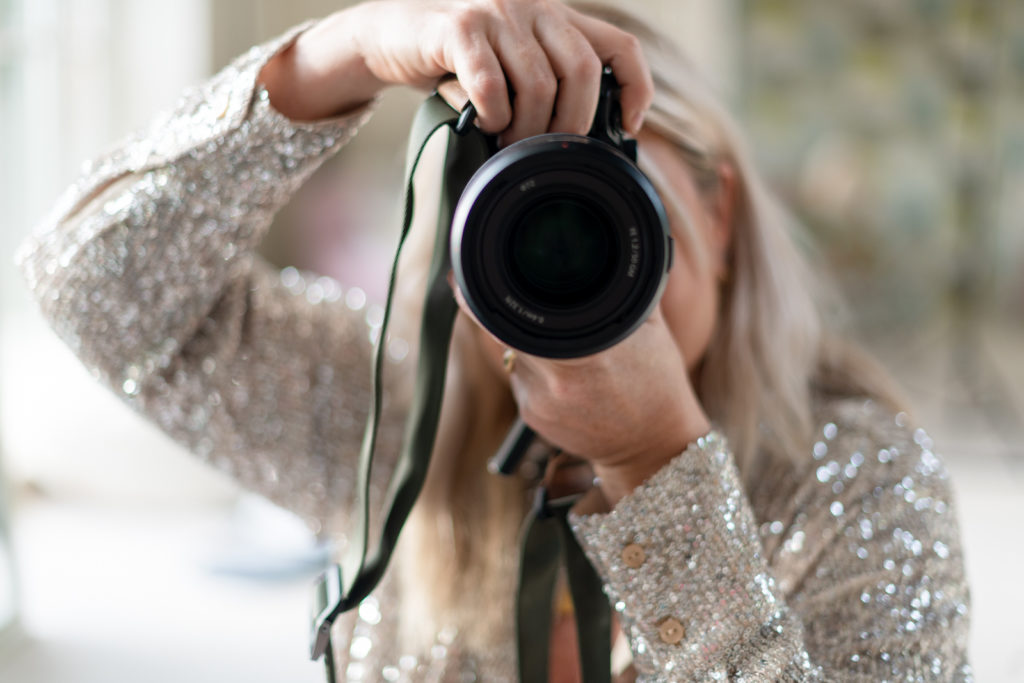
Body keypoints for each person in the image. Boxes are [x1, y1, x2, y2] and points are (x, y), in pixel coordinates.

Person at [17, 0, 971, 680]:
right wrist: (340, 54)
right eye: (528, 231)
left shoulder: (861, 477)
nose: (578, 275)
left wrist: (654, 459)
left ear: (718, 216)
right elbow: (96, 291)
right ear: (455, 261)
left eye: (611, 216)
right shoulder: (399, 423)